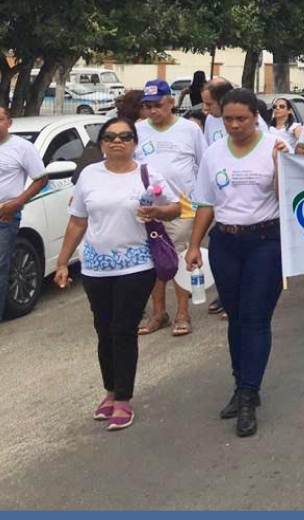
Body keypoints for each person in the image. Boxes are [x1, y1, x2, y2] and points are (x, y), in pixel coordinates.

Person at [51, 116, 179, 430]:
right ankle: (109, 392)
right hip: (95, 267)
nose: (116, 142)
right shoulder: (89, 176)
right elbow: (77, 221)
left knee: (123, 329)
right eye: (109, 137)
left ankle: (123, 398)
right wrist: (63, 262)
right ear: (102, 143)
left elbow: (176, 207)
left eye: (124, 136)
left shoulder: (148, 174)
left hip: (137, 265)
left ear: (134, 142)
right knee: (103, 330)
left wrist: (157, 211)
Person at [185, 90, 289, 437]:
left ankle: (249, 394)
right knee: (235, 318)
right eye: (228, 118)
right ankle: (239, 383)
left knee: (256, 318)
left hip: (266, 241)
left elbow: (287, 197)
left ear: (255, 117)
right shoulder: (214, 153)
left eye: (241, 118)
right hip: (226, 242)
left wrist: (279, 166)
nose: (234, 125)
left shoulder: (274, 147)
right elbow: (206, 202)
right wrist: (194, 244)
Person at [135, 80, 206, 339]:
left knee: (180, 257)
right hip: (148, 206)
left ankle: (183, 313)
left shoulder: (190, 130)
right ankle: (159, 313)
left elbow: (204, 164)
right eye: (147, 106)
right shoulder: (137, 130)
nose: (153, 111)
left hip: (183, 205)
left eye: (158, 105)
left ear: (171, 103)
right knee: (154, 259)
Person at [0, 104, 49, 340]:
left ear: (9, 122)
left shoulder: (22, 148)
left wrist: (17, 202)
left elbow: (41, 179)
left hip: (2, 217)